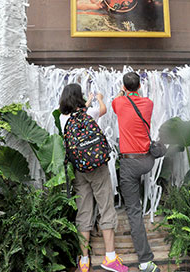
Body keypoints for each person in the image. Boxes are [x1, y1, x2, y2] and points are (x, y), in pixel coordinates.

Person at [59, 83, 128, 272]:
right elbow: (103, 110)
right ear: (80, 99)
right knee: (106, 207)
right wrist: (98, 99)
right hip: (97, 167)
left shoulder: (63, 119)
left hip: (79, 168)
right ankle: (110, 258)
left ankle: (83, 260)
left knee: (83, 211)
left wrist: (87, 102)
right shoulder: (90, 114)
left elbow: (77, 114)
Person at [112, 72, 160, 272]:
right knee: (137, 203)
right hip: (146, 160)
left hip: (130, 163)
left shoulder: (118, 102)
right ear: (140, 86)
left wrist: (123, 92)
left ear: (123, 87)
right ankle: (146, 261)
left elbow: (118, 101)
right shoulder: (148, 103)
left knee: (134, 210)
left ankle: (145, 260)